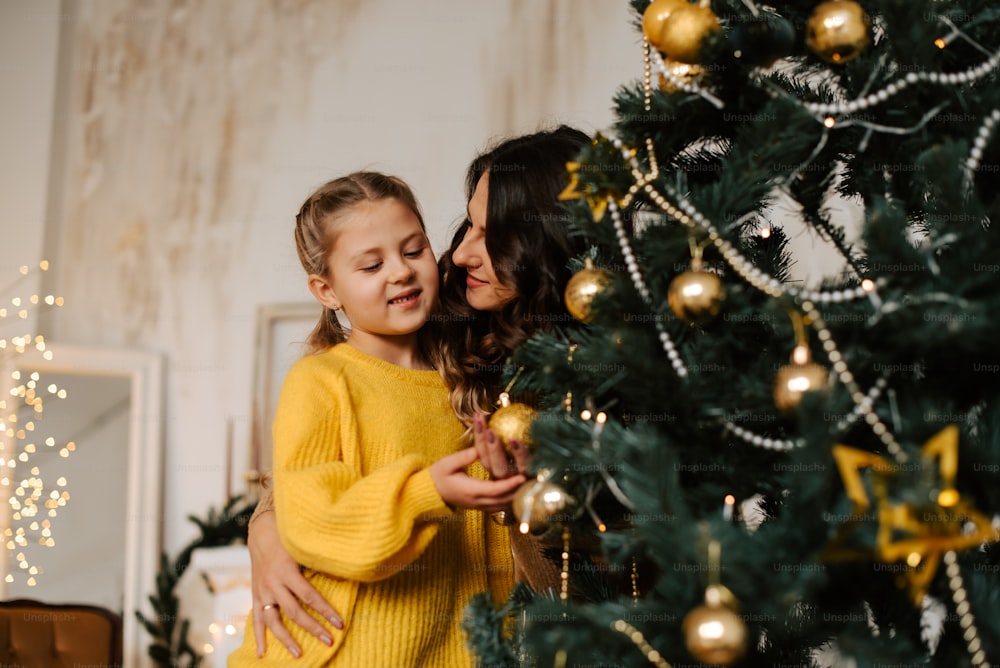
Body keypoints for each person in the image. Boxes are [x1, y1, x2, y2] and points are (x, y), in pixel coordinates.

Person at [245, 126, 592, 659]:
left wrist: (520, 504)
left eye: (415, 249)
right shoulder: (408, 338)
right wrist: (267, 530)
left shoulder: (559, 371)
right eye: (467, 227)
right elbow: (308, 499)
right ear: (327, 289)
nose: (459, 256)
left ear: (545, 244)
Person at [228, 171, 526, 667]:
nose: (400, 272)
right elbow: (310, 520)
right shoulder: (321, 381)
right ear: (327, 291)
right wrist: (425, 491)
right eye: (371, 265)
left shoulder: (471, 379)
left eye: (413, 251)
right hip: (334, 652)